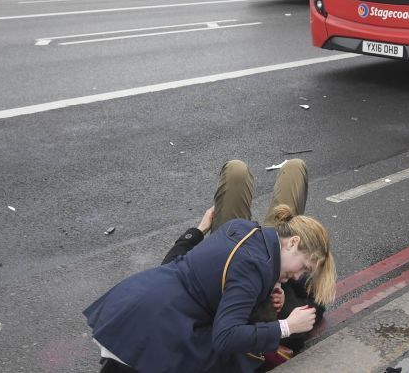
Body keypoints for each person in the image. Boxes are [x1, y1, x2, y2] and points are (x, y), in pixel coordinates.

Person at [84, 158, 336, 372]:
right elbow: (226, 337)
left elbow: (176, 270)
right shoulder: (254, 268)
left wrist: (197, 231)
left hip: (133, 307)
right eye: (304, 267)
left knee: (239, 170)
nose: (297, 276)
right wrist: (287, 326)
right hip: (157, 333)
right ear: (293, 242)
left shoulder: (240, 229)